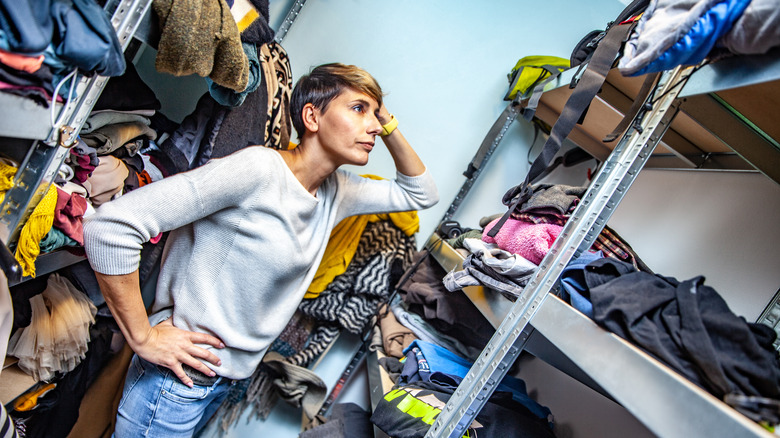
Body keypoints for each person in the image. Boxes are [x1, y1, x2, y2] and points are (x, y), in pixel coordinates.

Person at [82, 62, 438, 437]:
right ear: (312, 116)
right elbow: (112, 228)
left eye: (376, 114)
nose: (375, 127)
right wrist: (142, 336)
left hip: (221, 381)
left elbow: (422, 193)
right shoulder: (258, 170)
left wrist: (388, 120)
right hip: (176, 383)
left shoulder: (340, 191)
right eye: (359, 109)